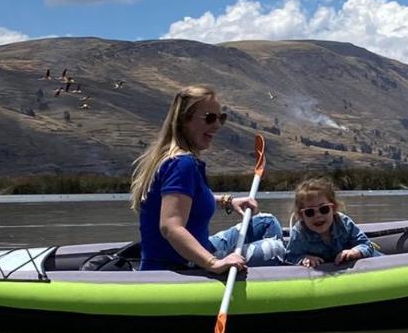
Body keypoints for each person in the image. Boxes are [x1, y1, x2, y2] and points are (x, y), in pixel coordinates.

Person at [130, 84, 283, 272]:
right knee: (276, 249)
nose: (217, 125)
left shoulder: (173, 159)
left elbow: (187, 201)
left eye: (221, 118)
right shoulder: (181, 164)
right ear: (185, 120)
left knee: (267, 222)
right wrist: (214, 263)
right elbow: (170, 227)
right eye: (210, 118)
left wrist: (227, 201)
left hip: (197, 250)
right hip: (180, 265)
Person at [284, 177, 379, 269]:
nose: (318, 215)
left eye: (324, 209)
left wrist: (355, 251)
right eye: (310, 212)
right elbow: (290, 257)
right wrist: (303, 259)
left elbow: (366, 244)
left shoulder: (343, 223)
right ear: (301, 215)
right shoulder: (300, 232)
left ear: (333, 209)